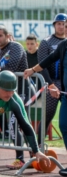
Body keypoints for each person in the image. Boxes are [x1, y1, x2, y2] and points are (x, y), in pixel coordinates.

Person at [24, 32, 67, 176]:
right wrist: (32, 70)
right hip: (64, 94)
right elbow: (49, 60)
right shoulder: (63, 45)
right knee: (64, 125)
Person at [0, 26, 29, 169]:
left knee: (15, 124)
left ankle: (22, 158)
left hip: (22, 91)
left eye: (0, 36)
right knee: (19, 124)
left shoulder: (15, 47)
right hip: (10, 92)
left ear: (7, 36)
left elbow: (10, 69)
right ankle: (29, 156)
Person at [35, 13, 67, 146]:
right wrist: (50, 84)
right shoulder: (46, 42)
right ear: (54, 25)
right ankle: (38, 146)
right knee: (47, 114)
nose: (61, 26)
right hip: (51, 82)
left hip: (64, 83)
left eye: (64, 24)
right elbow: (43, 65)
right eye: (59, 24)